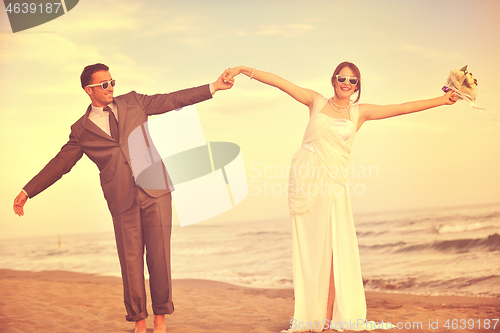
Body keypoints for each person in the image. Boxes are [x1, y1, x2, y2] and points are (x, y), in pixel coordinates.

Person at [223, 63, 457, 332]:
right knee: (312, 249)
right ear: (333, 80)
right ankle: (312, 313)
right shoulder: (315, 101)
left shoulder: (360, 112)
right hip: (306, 181)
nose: (347, 83)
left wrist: (442, 100)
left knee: (333, 249)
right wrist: (242, 70)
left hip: (333, 184)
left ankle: (325, 317)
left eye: (353, 80)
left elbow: (402, 107)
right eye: (342, 78)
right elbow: (280, 82)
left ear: (357, 85)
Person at [13, 63, 234, 333]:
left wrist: (213, 87)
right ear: (89, 90)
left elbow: (172, 99)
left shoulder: (134, 102)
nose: (110, 88)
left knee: (159, 257)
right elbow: (60, 164)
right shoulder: (81, 130)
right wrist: (28, 191)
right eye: (104, 84)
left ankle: (161, 319)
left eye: (112, 82)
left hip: (156, 191)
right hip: (121, 198)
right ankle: (139, 321)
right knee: (130, 262)